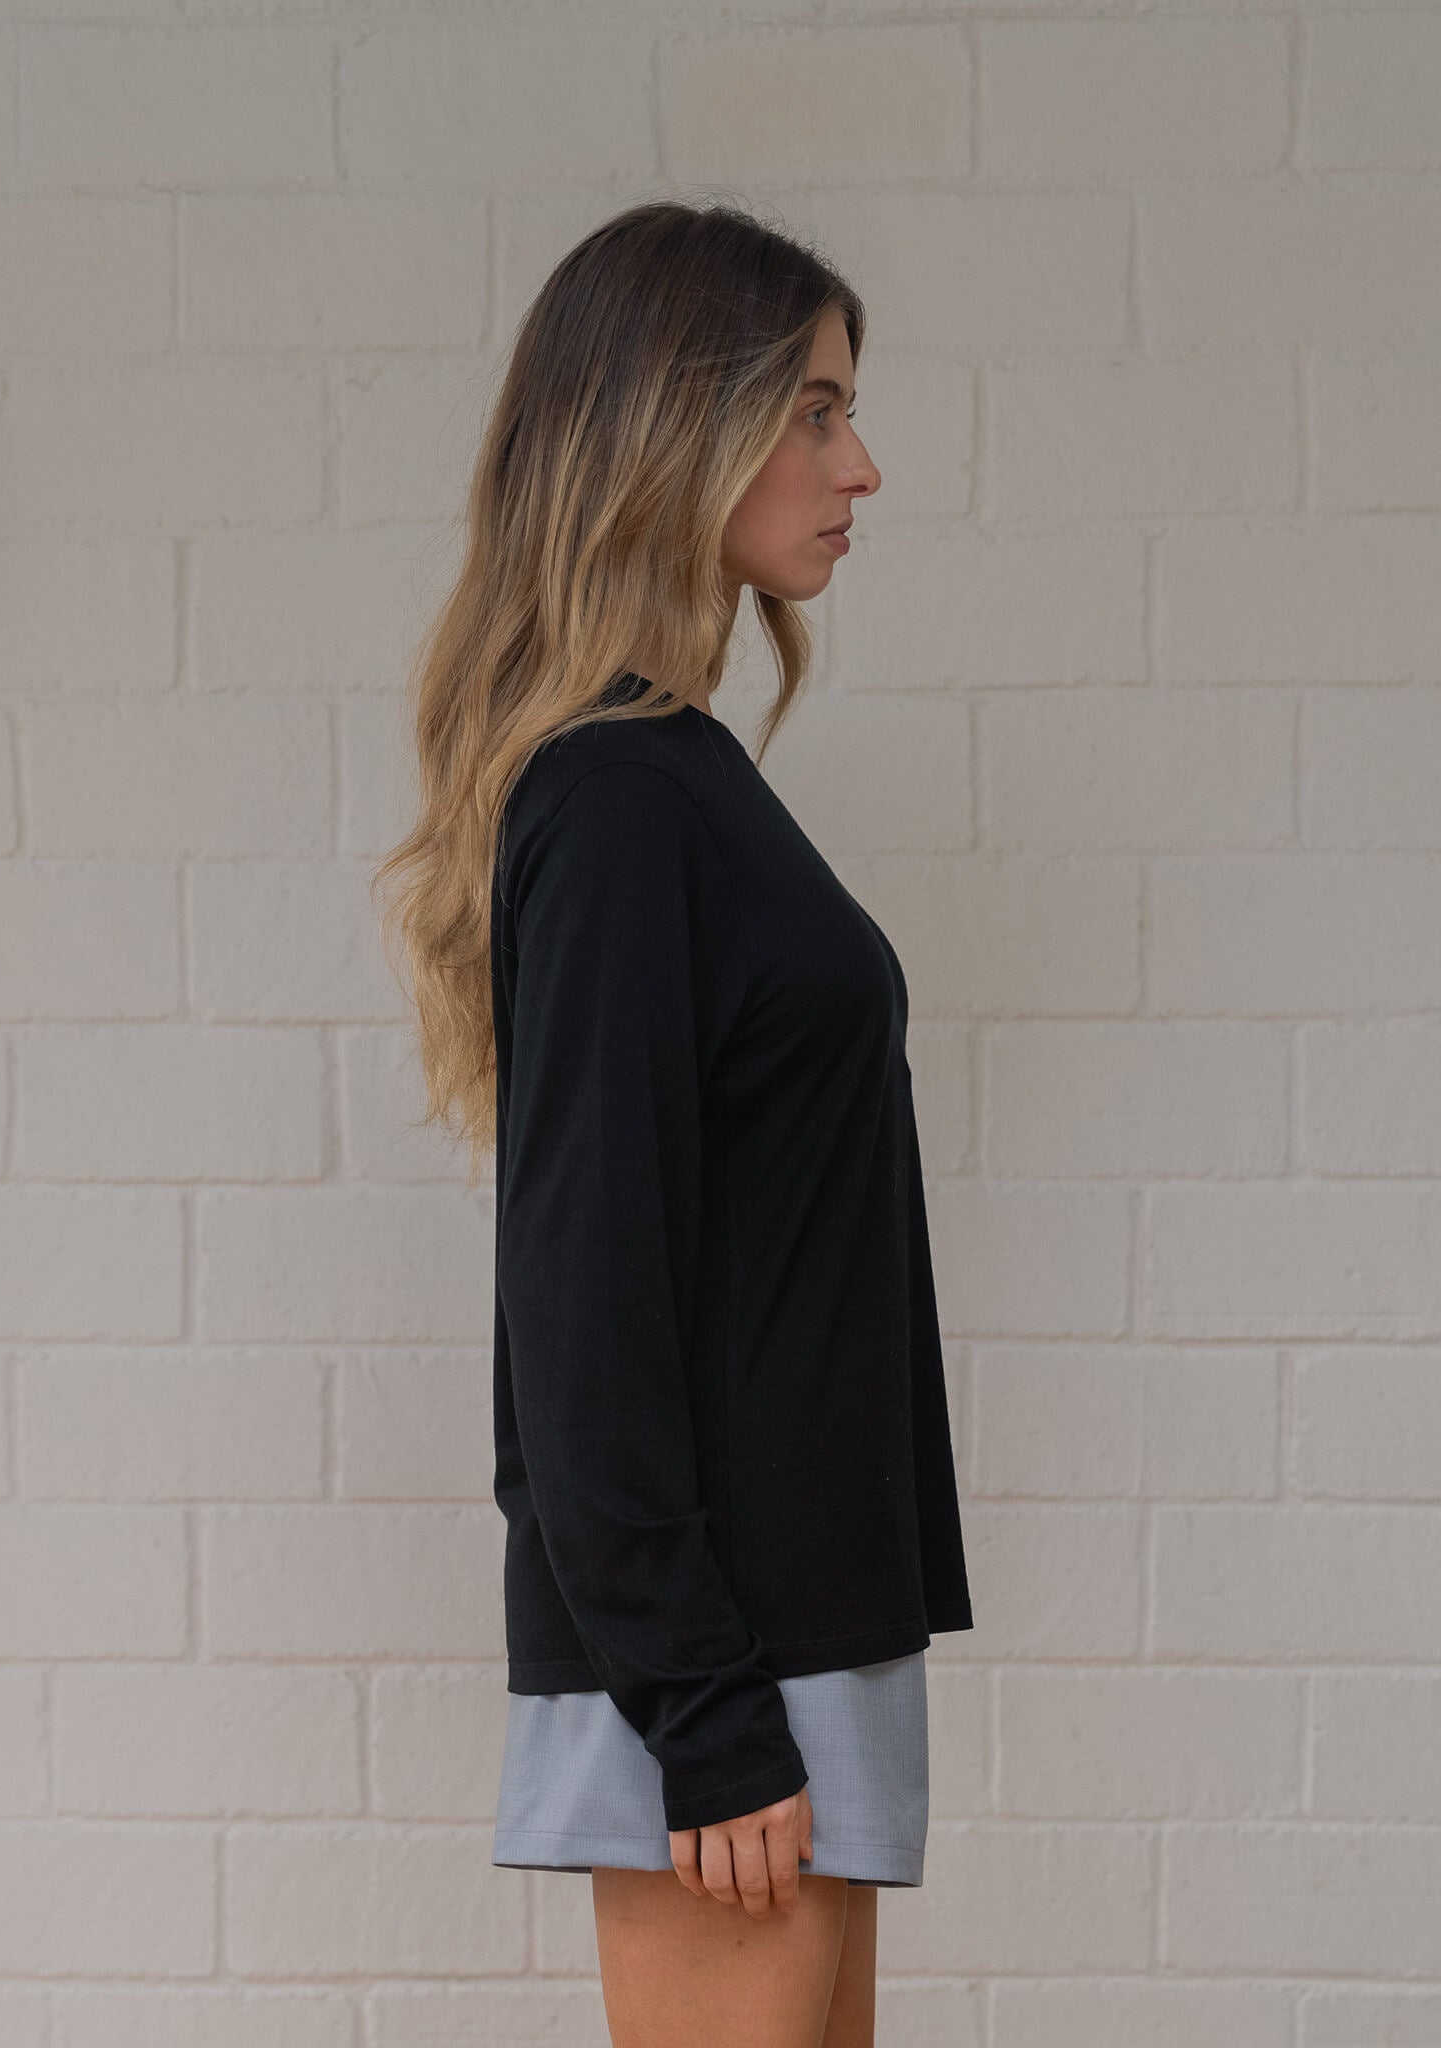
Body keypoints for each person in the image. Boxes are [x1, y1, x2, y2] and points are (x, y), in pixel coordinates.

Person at [374, 196, 973, 2048]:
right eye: (815, 409)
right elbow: (583, 1301)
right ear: (673, 429)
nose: (859, 465)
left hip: (789, 1627)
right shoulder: (622, 801)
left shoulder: (678, 775)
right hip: (724, 1665)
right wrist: (704, 1711)